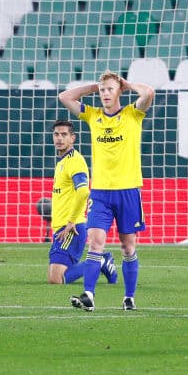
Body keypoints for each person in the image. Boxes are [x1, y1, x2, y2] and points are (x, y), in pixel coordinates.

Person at [58, 71, 154, 311]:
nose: (105, 94)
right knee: (96, 243)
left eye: (110, 89)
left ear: (119, 91)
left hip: (128, 191)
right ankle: (89, 295)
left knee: (127, 247)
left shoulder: (133, 114)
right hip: (100, 193)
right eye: (103, 91)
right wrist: (94, 87)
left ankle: (129, 297)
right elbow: (65, 97)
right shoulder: (94, 115)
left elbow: (149, 93)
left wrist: (126, 85)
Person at [46, 119, 116, 286]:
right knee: (56, 275)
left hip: (72, 228)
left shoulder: (75, 161)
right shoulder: (63, 162)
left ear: (73, 138)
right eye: (56, 134)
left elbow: (84, 190)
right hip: (63, 227)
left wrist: (71, 221)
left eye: (64, 134)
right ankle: (99, 261)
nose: (59, 138)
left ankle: (100, 261)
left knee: (56, 279)